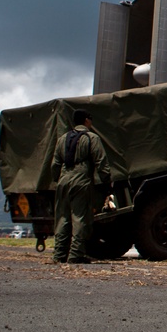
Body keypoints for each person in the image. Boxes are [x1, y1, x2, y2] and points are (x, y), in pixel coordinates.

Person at [50, 109, 111, 264]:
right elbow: (101, 162)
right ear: (86, 120)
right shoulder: (91, 138)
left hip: (63, 180)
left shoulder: (62, 139)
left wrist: (59, 179)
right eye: (90, 118)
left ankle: (59, 255)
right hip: (81, 180)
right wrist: (106, 182)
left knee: (62, 218)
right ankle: (75, 255)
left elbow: (55, 164)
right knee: (79, 218)